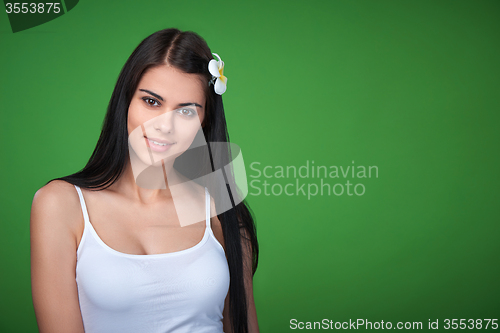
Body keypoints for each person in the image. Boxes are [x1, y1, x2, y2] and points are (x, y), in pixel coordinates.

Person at [30, 28, 259, 333]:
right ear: (125, 101)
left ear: (204, 121)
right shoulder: (61, 205)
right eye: (152, 102)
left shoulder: (222, 209)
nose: (165, 126)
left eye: (186, 110)